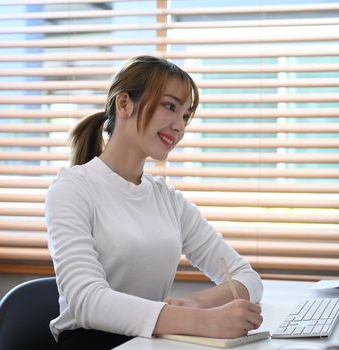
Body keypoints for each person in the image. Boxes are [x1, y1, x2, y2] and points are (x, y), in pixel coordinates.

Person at [45, 56, 264, 350]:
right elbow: (87, 301)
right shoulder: (72, 188)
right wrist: (201, 322)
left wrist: (195, 304)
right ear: (124, 104)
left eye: (186, 115)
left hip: (151, 340)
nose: (179, 126)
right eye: (170, 107)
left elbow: (248, 278)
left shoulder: (167, 199)